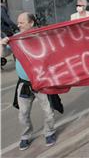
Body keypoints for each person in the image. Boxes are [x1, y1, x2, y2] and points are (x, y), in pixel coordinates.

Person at [1, 12, 57, 151]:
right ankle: (25, 136)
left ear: (31, 23)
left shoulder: (42, 38)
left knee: (48, 112)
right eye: (18, 22)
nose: (18, 25)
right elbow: (3, 54)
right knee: (23, 114)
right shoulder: (15, 40)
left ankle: (49, 132)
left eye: (22, 22)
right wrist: (2, 44)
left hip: (41, 83)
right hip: (24, 84)